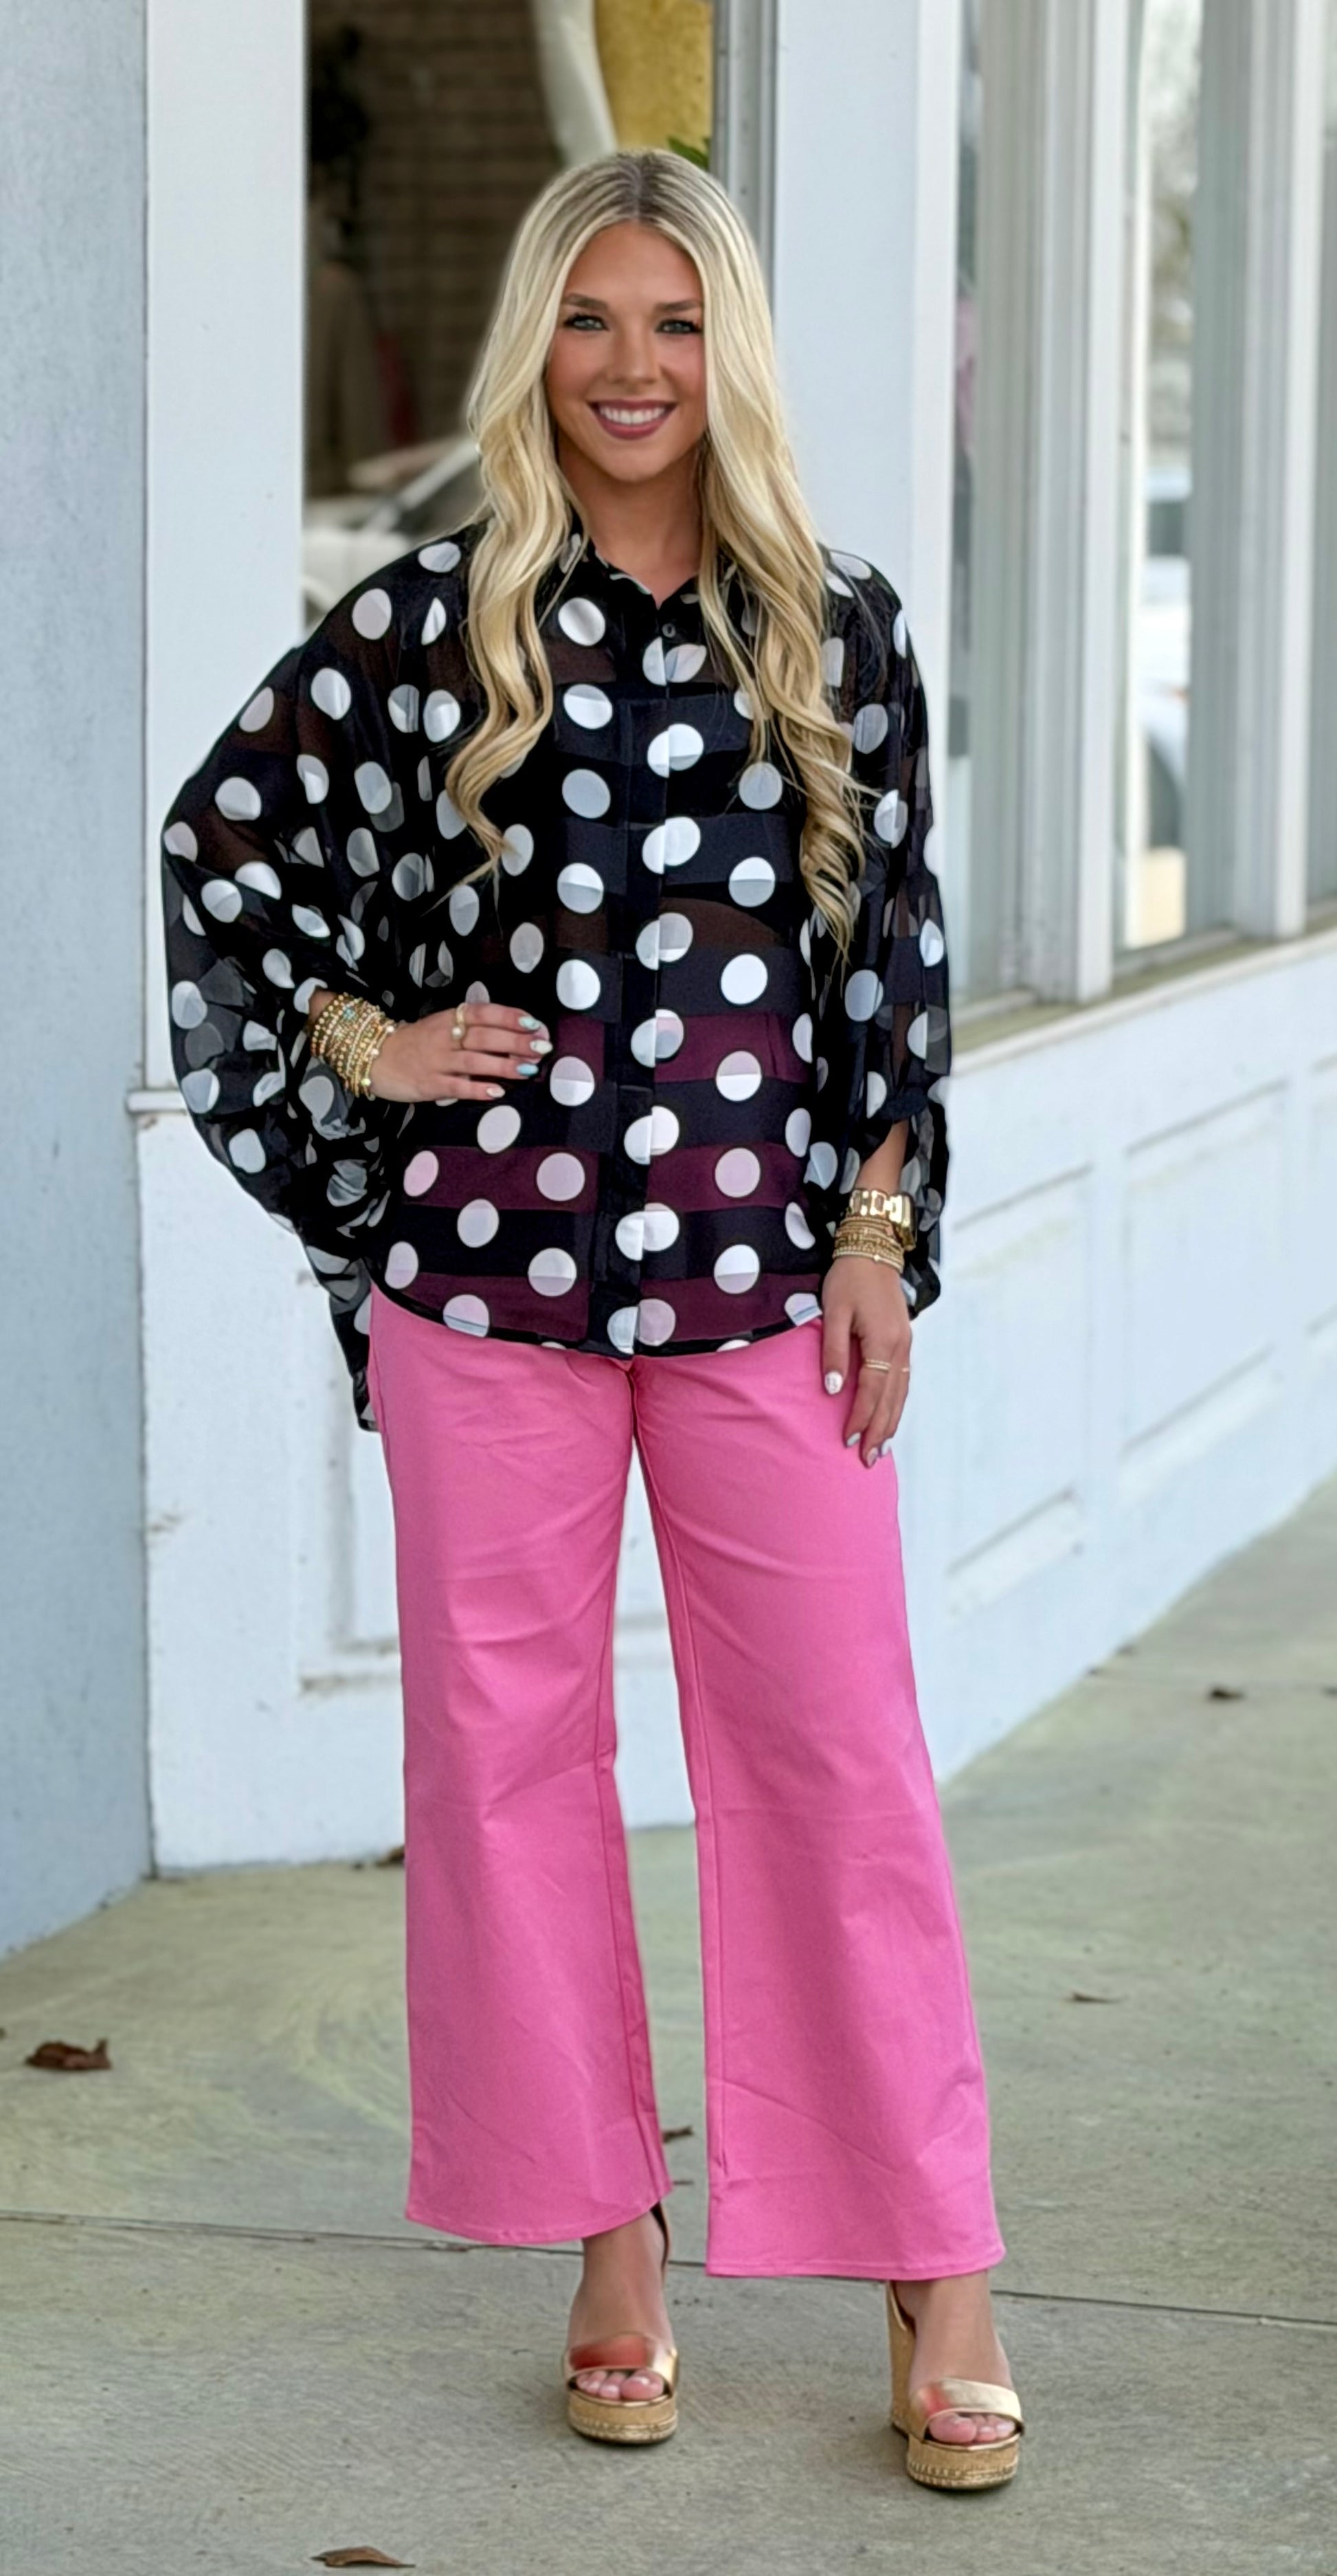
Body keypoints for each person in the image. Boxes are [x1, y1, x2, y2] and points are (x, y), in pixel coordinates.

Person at [160, 148, 1024, 2491]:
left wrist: (877, 1225)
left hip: (759, 1293)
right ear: (531, 343)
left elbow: (889, 964)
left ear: (727, 348)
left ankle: (932, 2256)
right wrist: (372, 1041)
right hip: (487, 1293)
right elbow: (223, 857)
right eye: (587, 319)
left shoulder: (831, 627)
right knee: (507, 1766)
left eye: (672, 320)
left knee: (835, 1757)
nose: (629, 366)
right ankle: (607, 2236)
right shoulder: (427, 627)